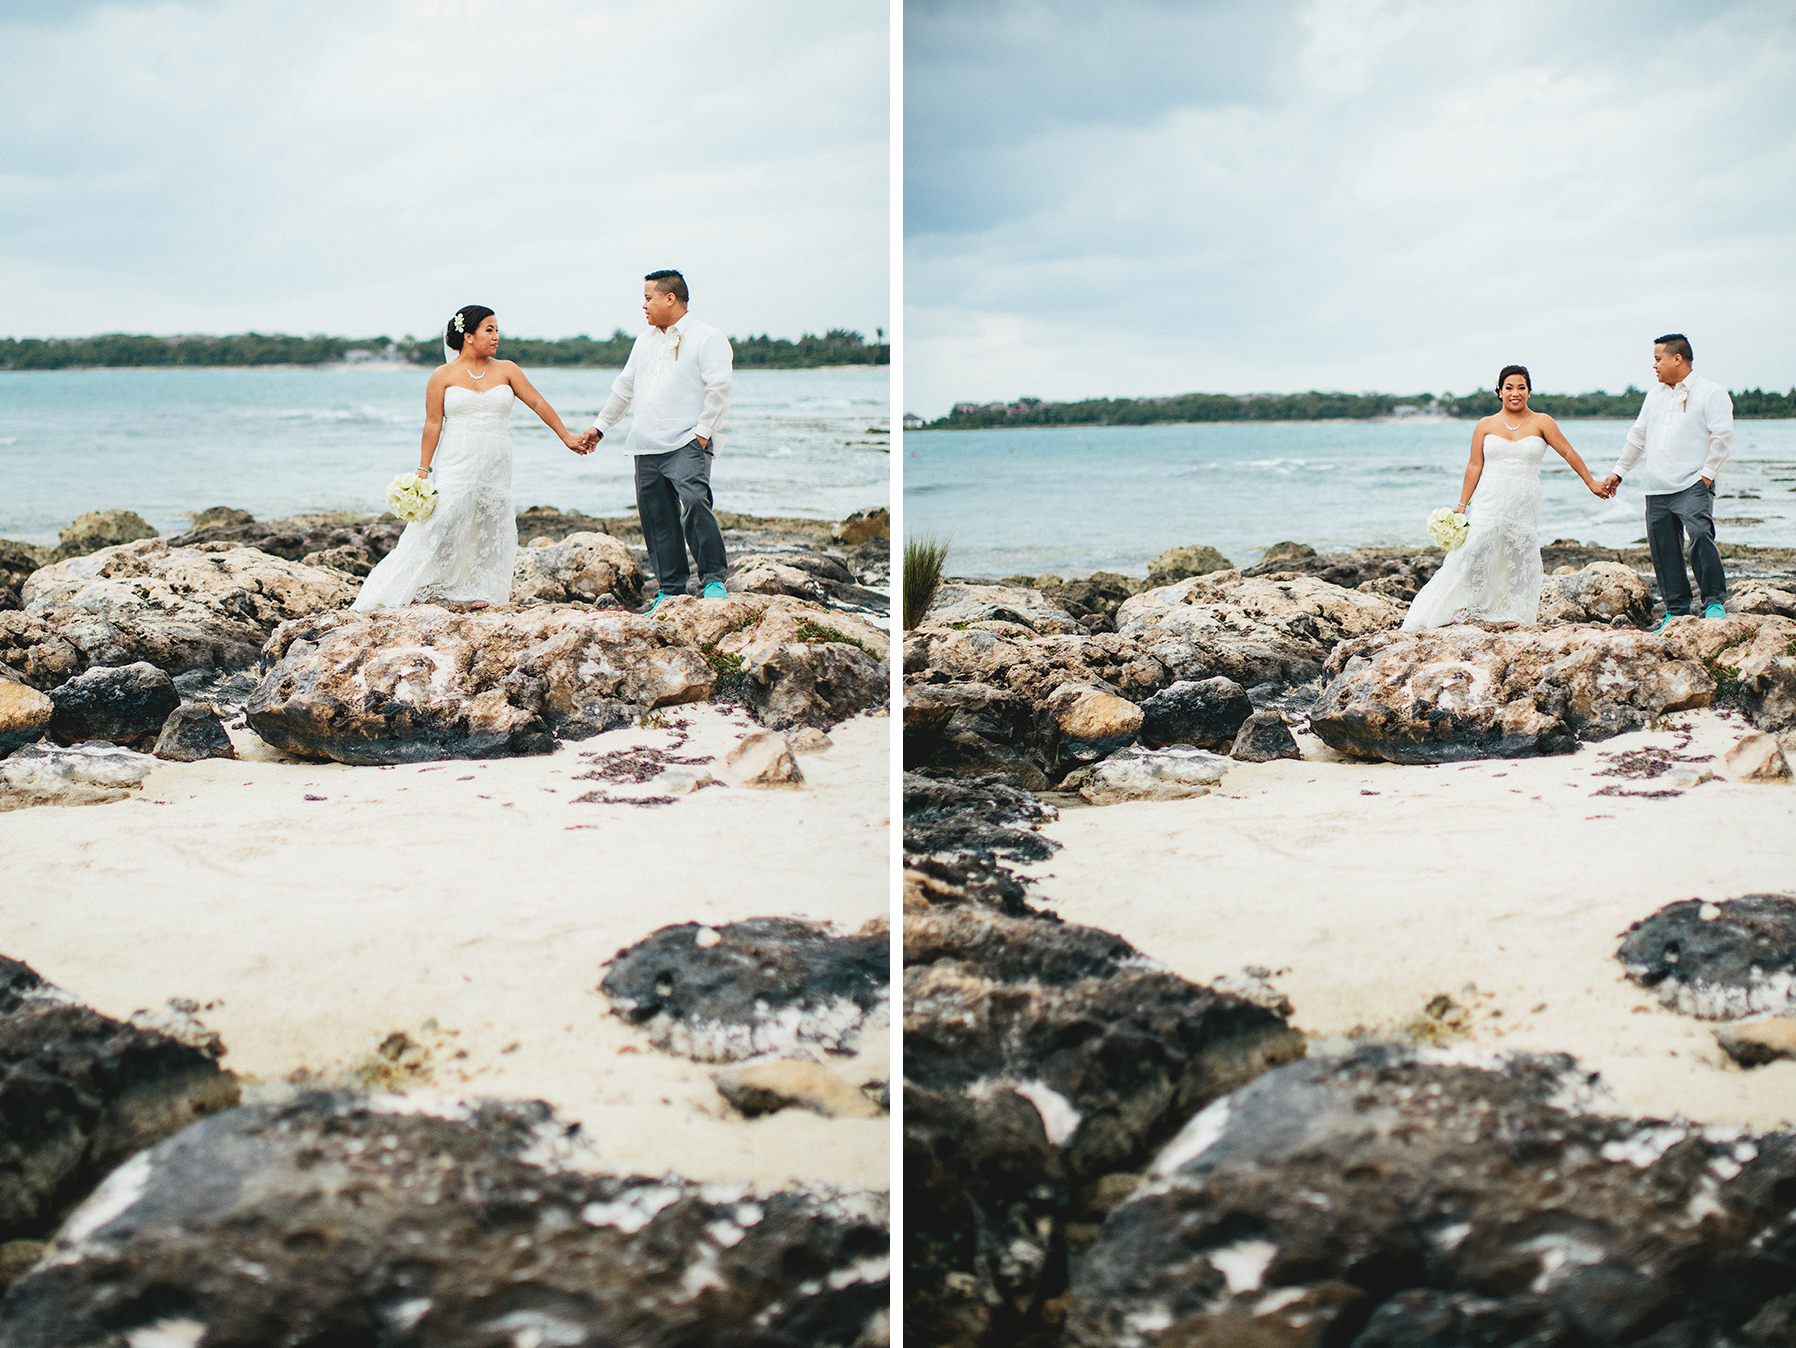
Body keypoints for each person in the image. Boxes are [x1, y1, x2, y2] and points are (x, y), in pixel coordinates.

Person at [352, 306, 588, 610]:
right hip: (456, 459)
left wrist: (565, 435)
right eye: (489, 330)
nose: (496, 336)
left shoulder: (507, 370)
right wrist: (423, 469)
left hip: (496, 458)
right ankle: (415, 584)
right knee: (442, 519)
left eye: (497, 329)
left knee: (492, 522)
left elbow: (537, 402)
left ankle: (483, 589)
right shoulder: (442, 375)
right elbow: (433, 423)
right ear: (468, 336)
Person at [1402, 365, 1610, 631]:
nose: (1515, 393)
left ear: (1529, 391)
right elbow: (1474, 465)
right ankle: (1465, 606)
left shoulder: (1542, 421)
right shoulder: (1485, 425)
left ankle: (1516, 611)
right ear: (1499, 392)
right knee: (1475, 549)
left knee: (1519, 552)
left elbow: (1568, 453)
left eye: (1521, 387)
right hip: (1490, 496)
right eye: (1509, 387)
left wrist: (1590, 481)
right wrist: (1462, 505)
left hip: (1524, 497)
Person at [576, 270, 734, 614]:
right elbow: (624, 388)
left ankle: (713, 580)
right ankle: (670, 590)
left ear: (670, 298)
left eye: (648, 297)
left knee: (695, 501)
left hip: (687, 441)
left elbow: (719, 387)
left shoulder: (708, 337)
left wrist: (702, 433)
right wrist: (600, 427)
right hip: (645, 443)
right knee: (657, 517)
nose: (643, 305)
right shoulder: (644, 340)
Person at [1597, 334, 1734, 629]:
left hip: (1694, 483)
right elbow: (1637, 437)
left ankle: (1713, 602)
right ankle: (1677, 609)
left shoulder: (1711, 392)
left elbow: (1723, 436)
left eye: (1658, 359)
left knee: (1699, 535)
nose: (1654, 365)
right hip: (1656, 485)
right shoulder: (1653, 396)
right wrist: (1619, 472)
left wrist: (1707, 475)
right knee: (1664, 548)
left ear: (1677, 359)